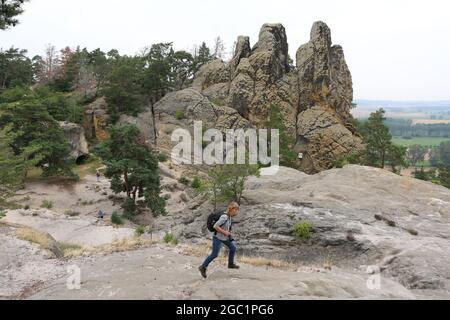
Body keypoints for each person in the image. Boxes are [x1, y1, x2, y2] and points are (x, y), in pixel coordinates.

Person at [199, 201, 240, 278]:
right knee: (214, 254)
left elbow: (226, 227)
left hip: (224, 238)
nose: (237, 212)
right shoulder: (224, 217)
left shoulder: (229, 217)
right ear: (232, 209)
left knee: (233, 248)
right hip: (217, 238)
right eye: (236, 210)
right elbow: (215, 226)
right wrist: (225, 232)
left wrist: (228, 234)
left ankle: (230, 264)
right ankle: (203, 267)